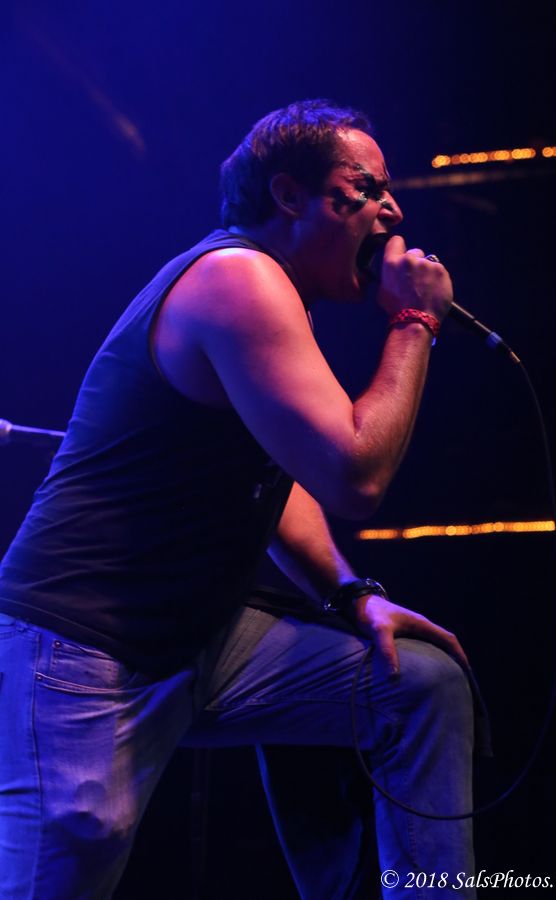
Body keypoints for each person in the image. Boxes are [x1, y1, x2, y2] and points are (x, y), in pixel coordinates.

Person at [0, 100, 477, 898]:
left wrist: (350, 594)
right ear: (288, 195)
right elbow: (355, 476)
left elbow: (279, 481)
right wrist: (413, 320)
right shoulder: (237, 280)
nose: (393, 210)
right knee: (66, 870)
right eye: (366, 187)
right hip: (82, 642)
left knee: (421, 687)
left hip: (199, 641)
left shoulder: (276, 297)